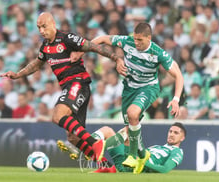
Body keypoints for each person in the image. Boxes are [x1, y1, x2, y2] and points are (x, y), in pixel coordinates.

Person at [0, 12, 123, 161]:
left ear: (53, 23)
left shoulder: (67, 38)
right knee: (73, 137)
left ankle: (96, 143)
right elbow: (36, 64)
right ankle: (105, 165)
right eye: (39, 27)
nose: (41, 31)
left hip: (78, 82)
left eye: (44, 26)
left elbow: (92, 46)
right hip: (70, 87)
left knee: (58, 115)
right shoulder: (45, 46)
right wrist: (17, 74)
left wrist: (116, 59)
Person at [72, 22, 184, 168]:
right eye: (135, 39)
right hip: (129, 89)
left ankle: (131, 156)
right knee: (128, 130)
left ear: (149, 38)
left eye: (140, 40)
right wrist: (81, 51)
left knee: (133, 113)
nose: (136, 43)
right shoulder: (127, 41)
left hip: (148, 88)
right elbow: (102, 38)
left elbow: (178, 75)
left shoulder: (158, 53)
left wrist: (176, 99)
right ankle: (141, 155)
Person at [96, 122, 186, 173]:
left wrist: (141, 162)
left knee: (128, 130)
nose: (171, 134)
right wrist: (110, 170)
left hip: (135, 167)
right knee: (107, 130)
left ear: (182, 138)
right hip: (127, 162)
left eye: (176, 133)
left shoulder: (177, 151)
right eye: (170, 131)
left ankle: (93, 150)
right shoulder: (156, 147)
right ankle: (90, 148)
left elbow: (165, 170)